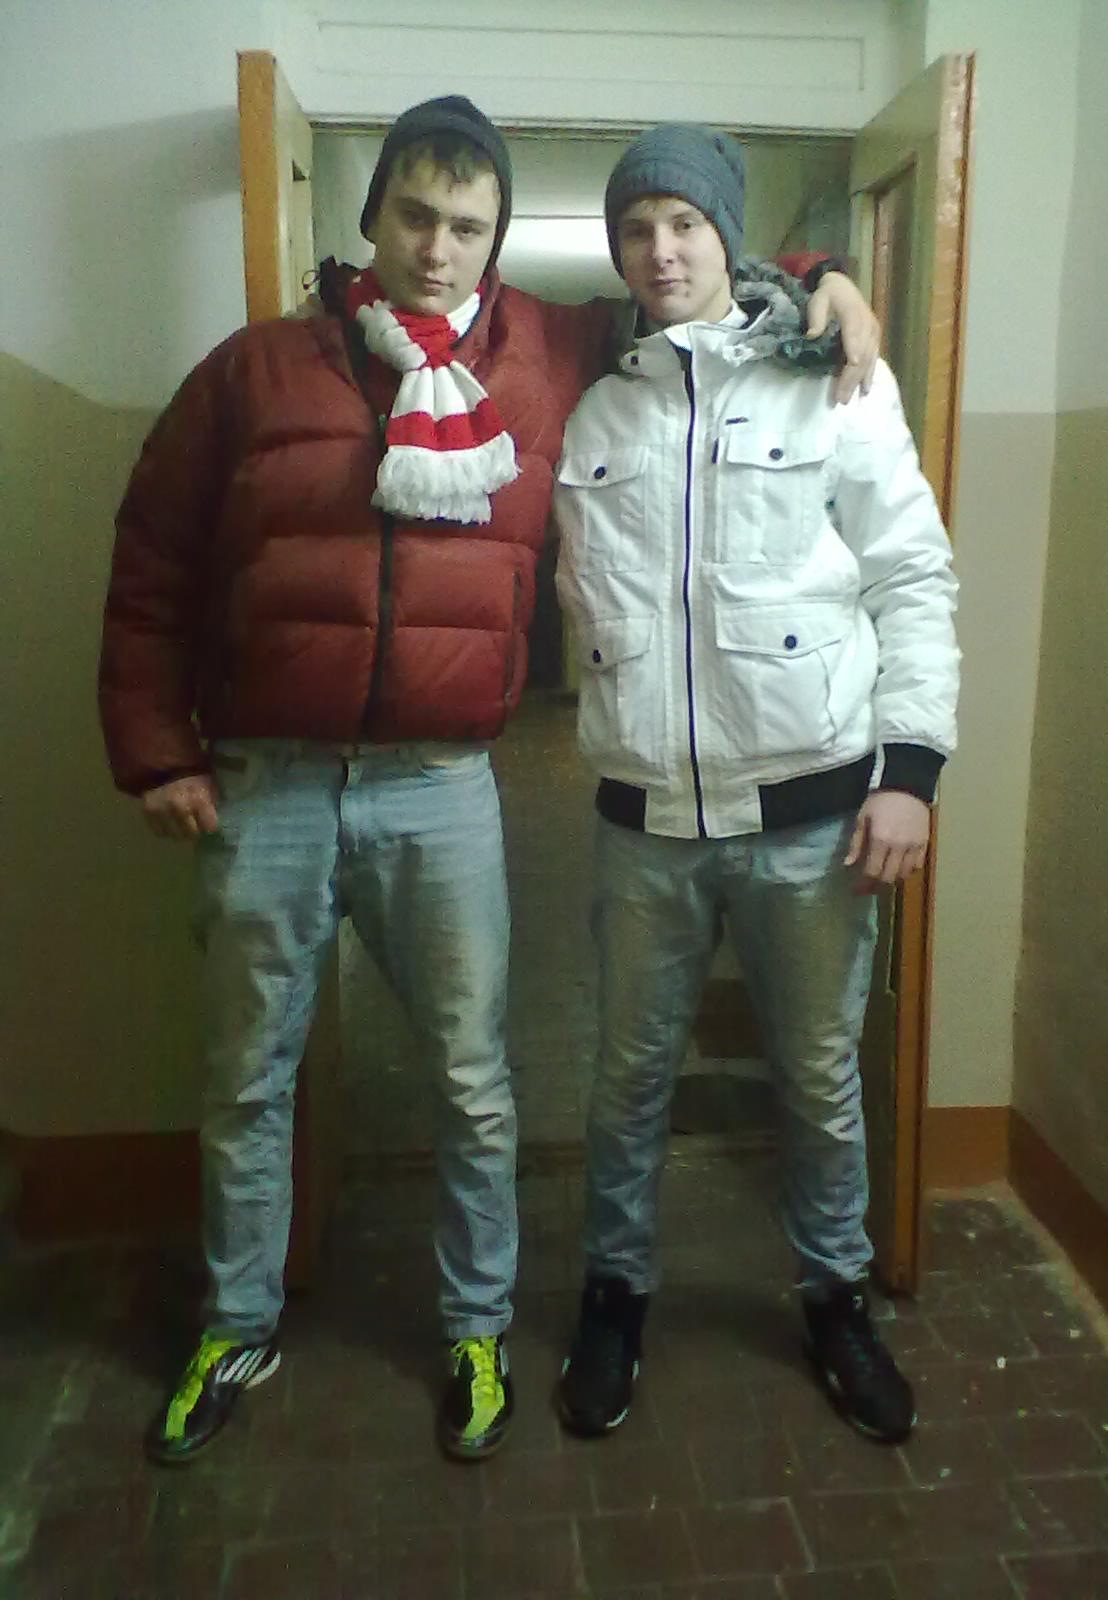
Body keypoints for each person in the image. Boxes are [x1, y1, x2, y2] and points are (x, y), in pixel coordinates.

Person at [99, 97, 882, 1466]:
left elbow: (703, 287)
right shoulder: (255, 371)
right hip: (266, 784)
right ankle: (235, 1323)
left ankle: (477, 1324)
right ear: (372, 217)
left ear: (498, 239)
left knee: (472, 1080)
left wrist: (832, 276)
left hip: (442, 785)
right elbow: (153, 554)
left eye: (469, 225)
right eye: (416, 215)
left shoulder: (551, 353)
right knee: (248, 1080)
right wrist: (156, 748)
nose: (438, 248)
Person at [553, 123, 960, 1446]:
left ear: (726, 235)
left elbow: (912, 575)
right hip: (645, 826)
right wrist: (830, 271)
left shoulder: (831, 381)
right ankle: (614, 1294)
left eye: (685, 223)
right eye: (636, 229)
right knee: (625, 1081)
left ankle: (836, 1297)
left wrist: (910, 772)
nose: (660, 251)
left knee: (820, 1078)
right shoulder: (590, 400)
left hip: (813, 818)